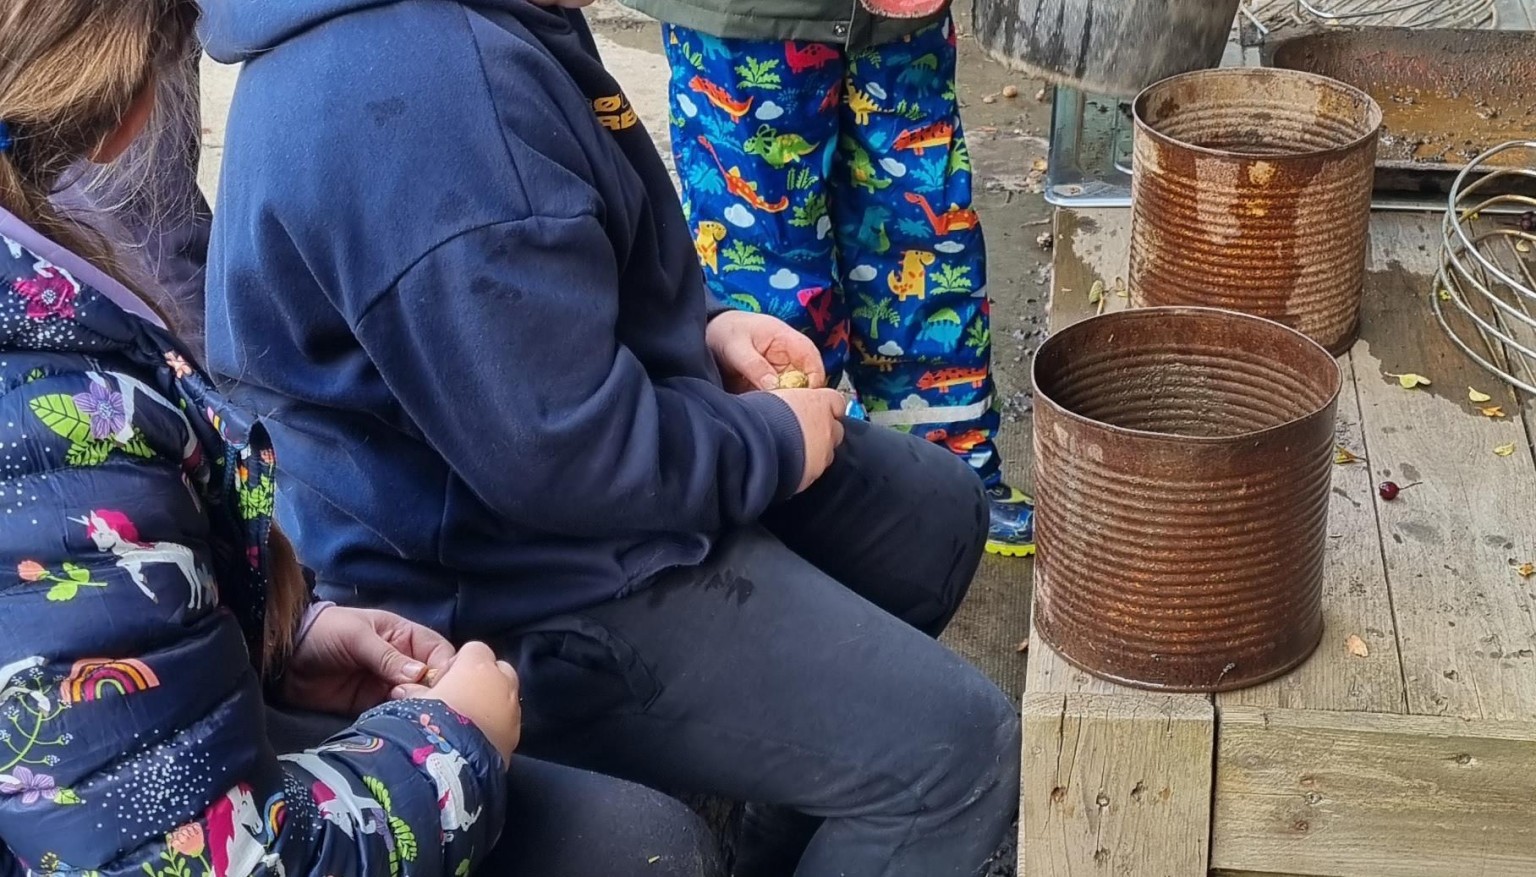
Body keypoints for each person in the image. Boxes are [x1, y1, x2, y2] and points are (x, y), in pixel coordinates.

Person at [199, 0, 1022, 874]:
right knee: (962, 757)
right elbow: (562, 451)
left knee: (933, 519)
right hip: (505, 582)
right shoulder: (426, 97)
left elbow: (544, 283)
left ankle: (783, 834)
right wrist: (771, 446)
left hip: (553, 486)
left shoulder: (485, 28)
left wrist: (700, 331)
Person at [0, 4, 722, 877]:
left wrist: (270, 634)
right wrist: (450, 746)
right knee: (660, 844)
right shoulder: (54, 428)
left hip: (263, 655)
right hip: (471, 614)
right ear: (128, 102)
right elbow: (213, 859)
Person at [623, 0, 1035, 557]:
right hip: (748, 19)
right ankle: (795, 494)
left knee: (923, 241)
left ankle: (952, 476)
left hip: (899, 18)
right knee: (766, 270)